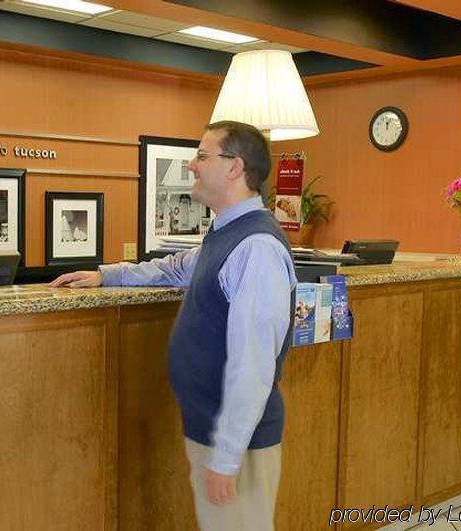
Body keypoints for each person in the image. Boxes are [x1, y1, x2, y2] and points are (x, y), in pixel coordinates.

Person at [50, 121, 296, 530]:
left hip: (237, 445)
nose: (191, 165)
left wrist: (227, 457)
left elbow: (253, 367)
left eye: (202, 156)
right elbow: (173, 268)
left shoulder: (256, 248)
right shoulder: (226, 233)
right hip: (212, 433)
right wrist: (107, 275)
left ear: (234, 168)